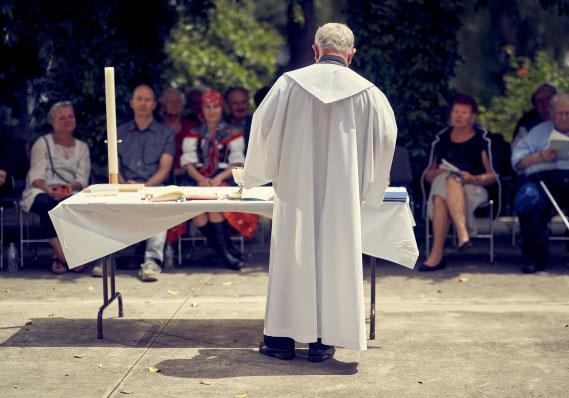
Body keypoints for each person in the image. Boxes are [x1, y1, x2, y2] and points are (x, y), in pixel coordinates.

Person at [244, 22, 397, 361]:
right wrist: (373, 186)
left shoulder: (288, 85)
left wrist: (258, 173)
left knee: (291, 259)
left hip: (295, 194)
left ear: (315, 51)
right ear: (351, 56)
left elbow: (261, 125)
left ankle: (281, 342)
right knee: (334, 259)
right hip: (342, 196)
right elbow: (387, 137)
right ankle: (322, 343)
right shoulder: (369, 92)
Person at [92, 84, 175, 282]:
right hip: (123, 186)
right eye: (139, 99)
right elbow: (114, 166)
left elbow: (165, 168)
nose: (143, 103)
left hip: (153, 187)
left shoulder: (166, 135)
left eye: (147, 99)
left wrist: (144, 187)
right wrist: (123, 185)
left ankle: (152, 262)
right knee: (107, 207)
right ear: (131, 103)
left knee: (159, 208)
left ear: (154, 104)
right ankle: (106, 259)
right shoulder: (118, 133)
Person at [420, 93, 497, 272]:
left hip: (474, 188)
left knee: (442, 193)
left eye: (464, 112)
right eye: (456, 111)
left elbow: (492, 176)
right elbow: (428, 176)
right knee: (445, 183)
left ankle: (435, 256)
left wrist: (474, 178)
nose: (459, 116)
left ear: (472, 117)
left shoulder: (481, 140)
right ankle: (463, 234)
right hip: (445, 186)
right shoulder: (442, 140)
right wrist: (440, 172)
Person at [20, 101, 91, 273]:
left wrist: (68, 187)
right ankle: (67, 257)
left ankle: (57, 257)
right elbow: (36, 177)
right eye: (62, 117)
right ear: (52, 122)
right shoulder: (42, 143)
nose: (67, 120)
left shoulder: (82, 147)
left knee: (72, 204)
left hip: (70, 191)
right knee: (48, 204)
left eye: (70, 116)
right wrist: (49, 189)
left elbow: (82, 179)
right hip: (42, 190)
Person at [180, 90, 246, 271]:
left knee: (214, 206)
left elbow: (237, 162)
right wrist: (201, 179)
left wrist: (217, 178)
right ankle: (226, 251)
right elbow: (188, 163)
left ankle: (226, 254)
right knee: (198, 212)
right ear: (202, 109)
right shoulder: (194, 133)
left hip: (224, 179)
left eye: (215, 106)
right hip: (199, 181)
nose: (211, 111)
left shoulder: (233, 133)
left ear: (221, 108)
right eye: (207, 107)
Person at [511, 92, 569, 273]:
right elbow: (517, 162)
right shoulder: (537, 132)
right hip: (542, 181)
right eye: (561, 113)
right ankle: (535, 257)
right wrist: (539, 157)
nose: (565, 117)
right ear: (551, 113)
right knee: (528, 198)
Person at [159, 87, 197, 247]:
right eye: (170, 101)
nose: (174, 105)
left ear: (183, 105)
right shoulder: (157, 128)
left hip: (189, 176)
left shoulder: (192, 127)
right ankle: (168, 248)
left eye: (178, 101)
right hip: (163, 177)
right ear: (162, 105)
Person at [512, 84, 557, 149]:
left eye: (548, 99)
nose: (545, 104)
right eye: (540, 101)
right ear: (536, 107)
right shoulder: (527, 129)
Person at [225, 87, 252, 152]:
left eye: (243, 102)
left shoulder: (258, 125)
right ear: (228, 105)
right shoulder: (221, 125)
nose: (240, 106)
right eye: (235, 103)